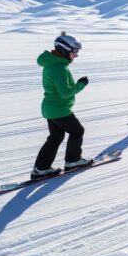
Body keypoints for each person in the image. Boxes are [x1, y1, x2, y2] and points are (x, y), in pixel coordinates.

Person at [31, 32, 93, 179]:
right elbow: (65, 92)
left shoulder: (51, 64)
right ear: (66, 50)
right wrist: (81, 84)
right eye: (75, 51)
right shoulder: (59, 67)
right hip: (59, 109)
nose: (76, 55)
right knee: (77, 131)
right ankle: (73, 161)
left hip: (50, 108)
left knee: (55, 137)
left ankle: (41, 169)